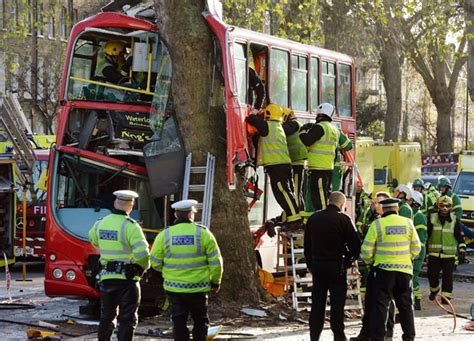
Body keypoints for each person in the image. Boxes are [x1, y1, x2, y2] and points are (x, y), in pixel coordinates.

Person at [150, 199, 223, 341]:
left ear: (176, 215)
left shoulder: (164, 235)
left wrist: (167, 274)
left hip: (174, 288)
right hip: (199, 288)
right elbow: (216, 262)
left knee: (178, 322)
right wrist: (215, 282)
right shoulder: (203, 234)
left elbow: (155, 263)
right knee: (201, 320)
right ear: (191, 214)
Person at [88, 190, 150, 341]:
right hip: (127, 280)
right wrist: (141, 268)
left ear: (115, 203)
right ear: (131, 206)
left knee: (106, 317)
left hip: (106, 278)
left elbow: (93, 240)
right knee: (127, 319)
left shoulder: (100, 223)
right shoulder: (132, 226)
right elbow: (142, 254)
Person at [361, 197, 421, 341]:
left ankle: (379, 337)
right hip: (404, 272)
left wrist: (371, 262)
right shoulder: (408, 223)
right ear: (397, 209)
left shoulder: (377, 225)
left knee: (381, 306)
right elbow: (417, 248)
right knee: (406, 305)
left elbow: (366, 251)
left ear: (383, 209)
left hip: (383, 271)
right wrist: (407, 259)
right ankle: (409, 337)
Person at [304, 192, 361, 341]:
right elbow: (355, 245)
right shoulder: (344, 219)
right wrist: (348, 260)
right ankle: (338, 335)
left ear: (328, 201)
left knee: (317, 303)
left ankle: (314, 335)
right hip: (337, 267)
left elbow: (307, 245)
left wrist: (310, 264)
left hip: (318, 266)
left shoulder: (314, 218)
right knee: (337, 303)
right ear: (342, 205)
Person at [247, 103, 301, 229]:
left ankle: (294, 217)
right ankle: (290, 216)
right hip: (282, 164)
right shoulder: (278, 126)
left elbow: (251, 119)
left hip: (277, 165)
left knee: (282, 191)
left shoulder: (268, 126)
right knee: (285, 191)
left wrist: (256, 113)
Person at [350, 192, 392, 341]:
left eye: (381, 203)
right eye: (376, 202)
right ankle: (365, 333)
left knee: (385, 303)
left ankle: (386, 334)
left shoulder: (387, 222)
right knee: (370, 301)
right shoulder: (370, 216)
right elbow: (360, 228)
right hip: (373, 265)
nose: (377, 205)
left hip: (384, 267)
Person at [300, 103, 351, 213]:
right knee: (322, 194)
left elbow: (307, 141)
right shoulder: (334, 129)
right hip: (326, 166)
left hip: (319, 167)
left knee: (320, 196)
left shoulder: (320, 127)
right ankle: (323, 215)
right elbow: (348, 145)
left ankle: (325, 216)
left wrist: (302, 131)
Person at [427, 195, 466, 301]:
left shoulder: (454, 220)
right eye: (442, 205)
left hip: (449, 254)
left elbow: (460, 236)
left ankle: (446, 297)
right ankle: (434, 290)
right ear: (438, 206)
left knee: (448, 277)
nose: (444, 208)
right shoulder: (432, 218)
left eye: (447, 206)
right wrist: (425, 252)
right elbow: (427, 235)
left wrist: (462, 250)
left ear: (451, 207)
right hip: (433, 254)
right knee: (432, 276)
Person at [282, 107, 307, 216]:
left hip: (298, 160)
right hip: (295, 160)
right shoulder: (295, 124)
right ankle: (299, 212)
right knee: (294, 188)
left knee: (296, 189)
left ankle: (299, 213)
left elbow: (282, 130)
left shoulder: (294, 124)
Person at [409, 190, 428, 310]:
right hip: (416, 251)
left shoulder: (419, 216)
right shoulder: (413, 214)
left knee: (413, 275)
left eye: (410, 200)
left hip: (417, 252)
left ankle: (417, 300)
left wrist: (415, 253)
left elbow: (421, 238)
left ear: (415, 202)